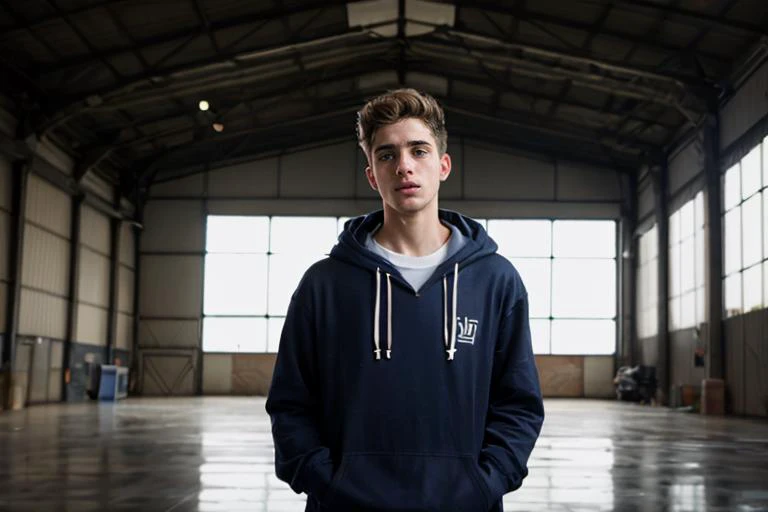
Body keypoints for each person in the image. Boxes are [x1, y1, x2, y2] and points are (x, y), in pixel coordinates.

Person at [265, 88, 544, 511]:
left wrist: (484, 484)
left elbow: (518, 404)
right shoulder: (323, 285)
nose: (404, 167)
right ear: (372, 175)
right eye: (387, 155)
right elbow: (290, 405)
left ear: (443, 165)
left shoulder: (496, 280)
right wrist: (328, 482)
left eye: (419, 151)